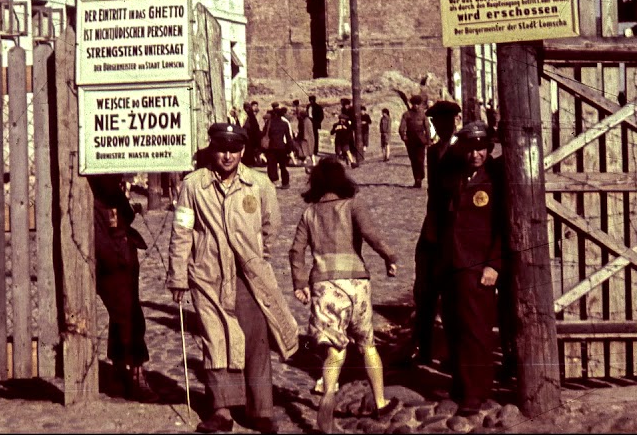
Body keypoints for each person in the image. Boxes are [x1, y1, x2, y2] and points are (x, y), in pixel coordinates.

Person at [167, 123, 300, 434]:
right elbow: (182, 231)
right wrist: (177, 276)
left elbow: (271, 226)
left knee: (256, 341)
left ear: (243, 151)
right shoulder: (193, 186)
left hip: (248, 278)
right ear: (212, 149)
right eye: (221, 149)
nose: (227, 156)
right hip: (207, 275)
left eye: (234, 150)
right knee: (215, 341)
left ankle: (261, 410)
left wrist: (257, 259)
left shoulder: (259, 184)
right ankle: (221, 410)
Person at [288, 156, 402, 433]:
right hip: (355, 284)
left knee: (335, 352)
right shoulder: (353, 205)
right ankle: (381, 402)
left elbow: (296, 251)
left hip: (324, 287)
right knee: (367, 345)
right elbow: (370, 233)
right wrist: (390, 257)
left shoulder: (309, 213)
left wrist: (300, 283)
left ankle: (327, 395)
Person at [437, 121, 505, 417]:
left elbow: (503, 225)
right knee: (455, 327)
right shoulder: (460, 175)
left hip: (479, 266)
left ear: (489, 148)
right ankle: (460, 386)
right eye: (471, 148)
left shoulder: (496, 178)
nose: (476, 154)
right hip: (454, 264)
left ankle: (477, 393)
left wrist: (493, 264)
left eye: (481, 148)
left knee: (477, 331)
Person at [90, 173, 158, 402]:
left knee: (123, 316)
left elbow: (125, 215)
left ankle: (120, 366)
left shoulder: (112, 192)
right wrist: (118, 258)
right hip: (113, 266)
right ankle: (136, 375)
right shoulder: (94, 199)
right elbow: (101, 244)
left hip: (126, 262)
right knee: (130, 317)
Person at [405, 99, 460, 367]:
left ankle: (452, 352)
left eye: (446, 121)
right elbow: (433, 193)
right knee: (424, 291)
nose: (442, 125)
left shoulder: (464, 149)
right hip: (434, 226)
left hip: (457, 230)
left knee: (452, 296)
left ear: (454, 122)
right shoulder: (434, 150)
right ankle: (424, 348)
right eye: (437, 121)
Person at [397, 95, 430, 188]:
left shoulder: (423, 114)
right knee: (414, 160)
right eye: (414, 104)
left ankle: (421, 176)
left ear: (420, 104)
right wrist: (404, 138)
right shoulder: (407, 114)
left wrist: (428, 140)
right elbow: (401, 128)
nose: (416, 106)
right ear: (412, 104)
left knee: (420, 160)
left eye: (418, 104)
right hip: (411, 141)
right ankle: (417, 179)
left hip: (421, 140)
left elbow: (427, 128)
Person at [263, 105, 294, 189]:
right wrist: (290, 149)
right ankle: (285, 183)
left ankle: (274, 181)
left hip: (272, 148)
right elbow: (288, 137)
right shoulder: (284, 124)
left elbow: (264, 134)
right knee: (283, 166)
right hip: (282, 147)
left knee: (272, 166)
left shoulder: (269, 124)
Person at [242, 101, 264, 169]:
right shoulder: (247, 116)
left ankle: (252, 161)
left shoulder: (250, 116)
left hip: (251, 136)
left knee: (250, 150)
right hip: (249, 136)